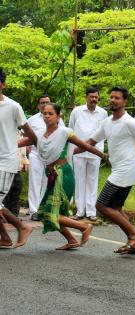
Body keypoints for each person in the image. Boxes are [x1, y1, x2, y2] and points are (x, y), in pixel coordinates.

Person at [80, 86, 135, 255]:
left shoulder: (130, 122)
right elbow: (90, 142)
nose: (112, 100)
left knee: (101, 205)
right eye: (111, 97)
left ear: (124, 102)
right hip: (119, 169)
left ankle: (134, 234)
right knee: (116, 208)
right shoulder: (107, 122)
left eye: (117, 98)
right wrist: (69, 151)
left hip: (126, 170)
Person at [19, 103, 103, 250]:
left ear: (58, 116)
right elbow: (17, 143)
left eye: (50, 113)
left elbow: (86, 145)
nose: (47, 116)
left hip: (63, 175)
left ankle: (84, 227)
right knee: (46, 213)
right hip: (52, 175)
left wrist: (103, 155)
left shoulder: (65, 132)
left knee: (50, 213)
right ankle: (71, 240)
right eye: (45, 113)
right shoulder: (39, 135)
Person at [0, 66, 37, 248]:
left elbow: (31, 136)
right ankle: (6, 238)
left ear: (3, 85)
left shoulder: (13, 107)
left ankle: (22, 227)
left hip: (6, 161)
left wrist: (12, 145)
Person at [69, 87, 108, 221]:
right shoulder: (76, 111)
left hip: (96, 152)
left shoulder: (103, 113)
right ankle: (80, 211)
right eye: (91, 97)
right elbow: (71, 130)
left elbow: (104, 132)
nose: (94, 99)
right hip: (78, 152)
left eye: (96, 97)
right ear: (86, 97)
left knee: (92, 181)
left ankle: (91, 212)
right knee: (79, 181)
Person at [27, 94, 65, 221]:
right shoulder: (32, 120)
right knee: (34, 182)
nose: (44, 105)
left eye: (47, 102)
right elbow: (25, 138)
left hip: (51, 158)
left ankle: (43, 210)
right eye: (42, 103)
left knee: (47, 183)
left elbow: (65, 137)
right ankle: (34, 210)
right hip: (36, 155)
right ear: (38, 105)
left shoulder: (58, 120)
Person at [3, 130, 29, 217]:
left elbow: (23, 152)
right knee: (5, 194)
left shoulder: (19, 134)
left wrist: (25, 162)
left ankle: (14, 215)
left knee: (16, 191)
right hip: (6, 168)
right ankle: (5, 215)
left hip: (17, 168)